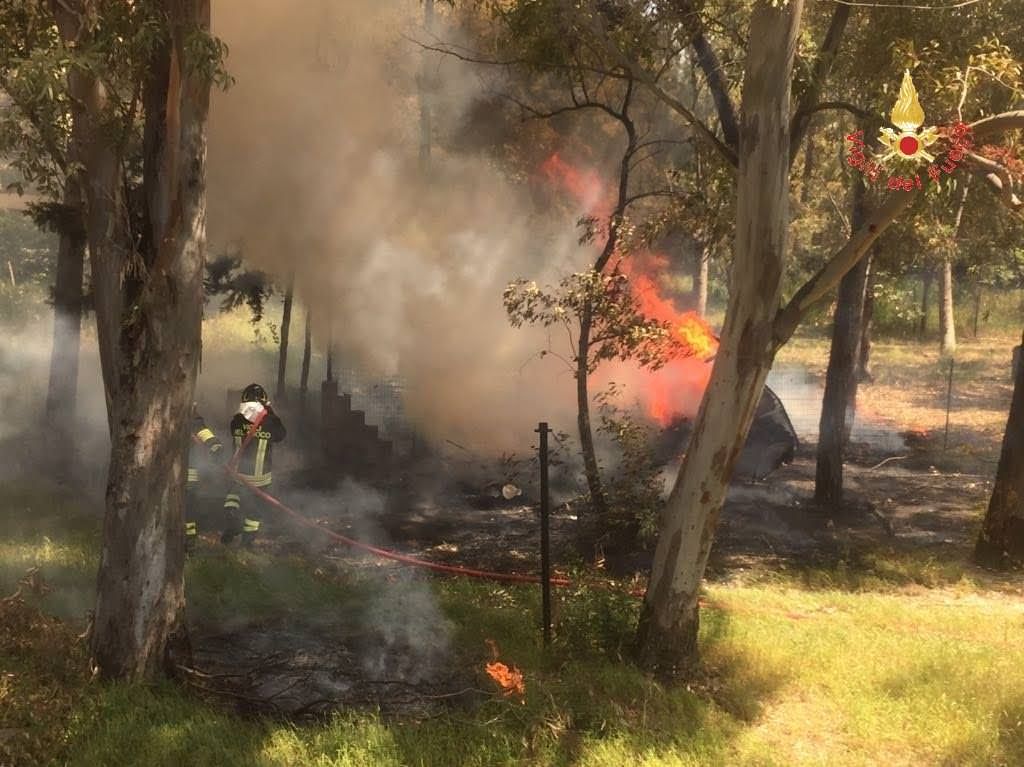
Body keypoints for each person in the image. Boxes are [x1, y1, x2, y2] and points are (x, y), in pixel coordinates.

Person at [222, 383, 286, 547]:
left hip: (238, 474)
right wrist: (270, 411)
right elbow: (281, 435)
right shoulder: (270, 422)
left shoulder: (236, 421)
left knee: (233, 495)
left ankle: (232, 515)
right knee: (255, 511)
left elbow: (234, 428)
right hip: (260, 479)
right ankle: (247, 542)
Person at [186, 403, 224, 553]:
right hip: (171, 473)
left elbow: (204, 432)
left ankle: (189, 544)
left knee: (188, 510)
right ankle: (187, 543)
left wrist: (215, 446)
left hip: (186, 473)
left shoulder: (192, 419)